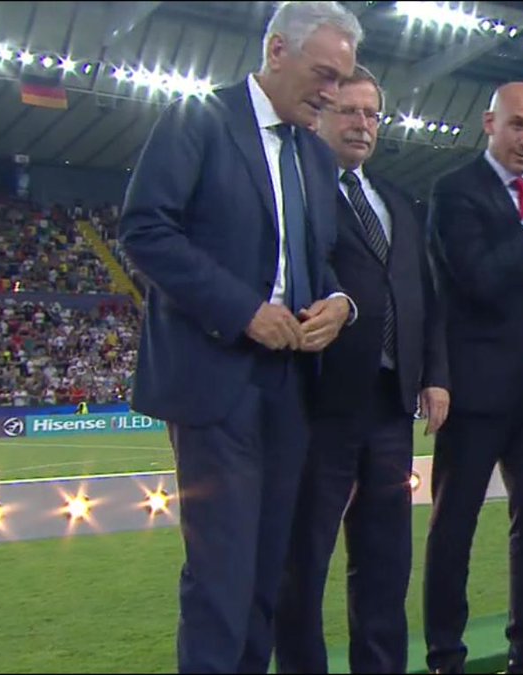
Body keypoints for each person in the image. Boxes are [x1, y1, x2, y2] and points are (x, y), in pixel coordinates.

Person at [118, 2, 361, 671]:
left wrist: (339, 303)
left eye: (341, 80)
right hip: (214, 377)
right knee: (221, 575)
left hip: (289, 387)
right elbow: (145, 228)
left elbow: (323, 258)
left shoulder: (314, 155)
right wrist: (244, 308)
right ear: (277, 51)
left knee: (267, 575)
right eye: (323, 73)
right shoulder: (199, 120)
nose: (332, 93)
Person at [274, 65, 449, 674]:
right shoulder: (296, 192)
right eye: (349, 111)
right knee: (304, 562)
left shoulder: (397, 202)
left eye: (372, 114)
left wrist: (435, 373)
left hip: (390, 407)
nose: (362, 124)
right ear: (319, 115)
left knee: (384, 564)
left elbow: (425, 296)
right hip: (319, 404)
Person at [422, 81, 523, 675]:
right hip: (472, 390)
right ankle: (445, 657)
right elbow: (479, 279)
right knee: (454, 526)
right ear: (489, 122)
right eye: (517, 125)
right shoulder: (454, 192)